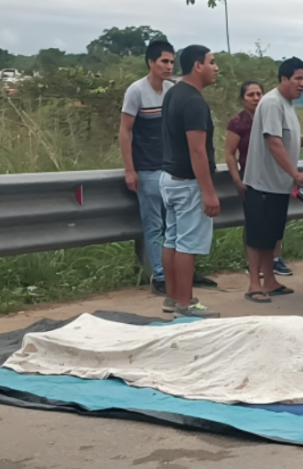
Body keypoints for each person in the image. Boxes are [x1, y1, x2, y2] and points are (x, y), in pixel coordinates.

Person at [241, 57, 303, 304]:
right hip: (263, 183)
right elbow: (273, 141)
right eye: (298, 78)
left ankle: (270, 281)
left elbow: (290, 138)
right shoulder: (272, 102)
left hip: (277, 185)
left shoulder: (287, 104)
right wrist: (295, 174)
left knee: (271, 235)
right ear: (284, 79)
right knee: (257, 236)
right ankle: (254, 284)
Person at [160, 45, 221, 318]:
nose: (215, 67)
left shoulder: (173, 92)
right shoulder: (194, 101)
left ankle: (173, 298)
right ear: (198, 66)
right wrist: (208, 192)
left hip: (169, 178)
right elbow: (197, 150)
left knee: (172, 240)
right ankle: (186, 305)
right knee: (186, 244)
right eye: (212, 62)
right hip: (188, 183)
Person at [119, 41, 173, 299]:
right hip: (147, 169)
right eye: (164, 61)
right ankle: (160, 276)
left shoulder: (172, 90)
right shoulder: (136, 91)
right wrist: (130, 170)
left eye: (172, 62)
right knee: (154, 225)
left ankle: (178, 271)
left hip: (172, 169)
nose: (169, 67)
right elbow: (125, 131)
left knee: (174, 224)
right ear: (151, 62)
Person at [225, 81, 287, 278]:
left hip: (270, 177)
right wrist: (237, 179)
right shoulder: (238, 122)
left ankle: (274, 260)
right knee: (253, 223)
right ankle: (253, 264)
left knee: (274, 222)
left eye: (259, 93)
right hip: (250, 178)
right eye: (250, 95)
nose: (256, 98)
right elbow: (229, 153)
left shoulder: (270, 115)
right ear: (242, 99)